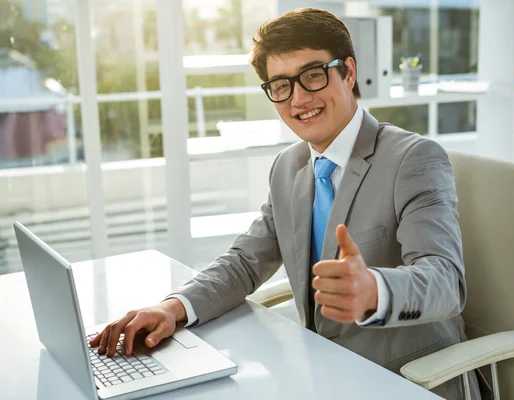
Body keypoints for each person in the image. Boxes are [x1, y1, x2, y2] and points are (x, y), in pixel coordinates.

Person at [90, 8, 482, 400]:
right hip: (321, 371)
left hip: (409, 380)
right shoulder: (289, 166)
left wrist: (374, 291)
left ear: (348, 72)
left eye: (312, 75)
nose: (298, 98)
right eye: (280, 84)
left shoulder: (413, 159)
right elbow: (245, 261)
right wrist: (173, 307)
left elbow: (446, 281)